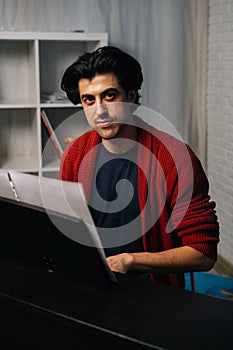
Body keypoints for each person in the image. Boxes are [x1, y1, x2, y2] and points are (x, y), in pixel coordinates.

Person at [59, 46, 219, 289]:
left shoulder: (175, 158)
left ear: (131, 97)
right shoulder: (75, 154)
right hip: (89, 280)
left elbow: (203, 253)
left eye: (110, 96)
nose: (99, 110)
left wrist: (132, 261)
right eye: (89, 100)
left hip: (150, 287)